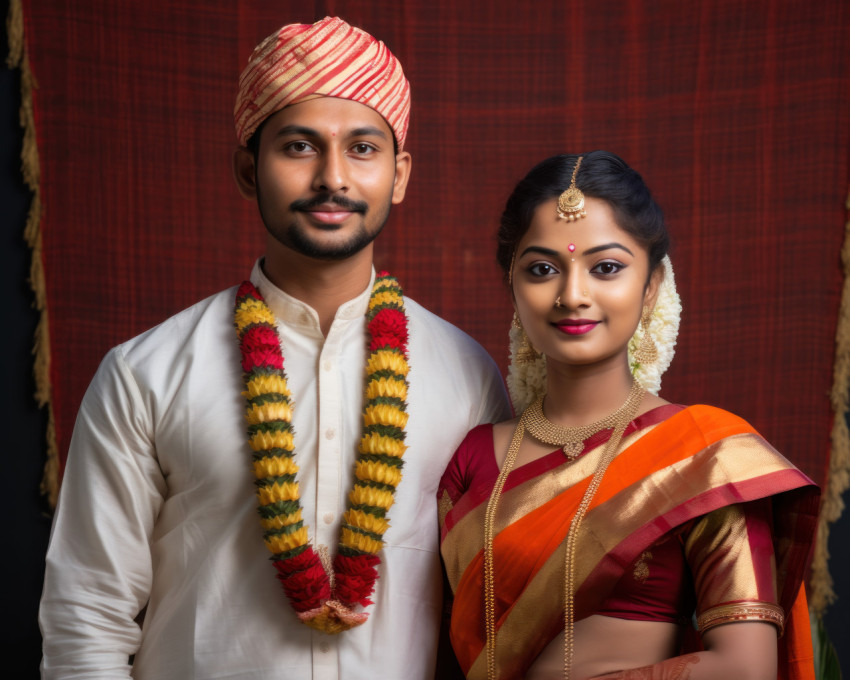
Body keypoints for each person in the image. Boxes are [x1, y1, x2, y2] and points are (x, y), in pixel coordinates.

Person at [39, 17, 510, 679]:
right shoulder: (144, 374)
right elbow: (85, 616)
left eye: (364, 149)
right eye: (298, 146)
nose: (332, 177)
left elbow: (497, 606)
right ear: (246, 169)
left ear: (400, 175)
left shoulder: (468, 378)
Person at [438, 151, 819, 680]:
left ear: (652, 287)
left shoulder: (704, 455)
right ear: (513, 288)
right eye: (543, 269)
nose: (573, 295)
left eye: (607, 268)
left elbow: (745, 668)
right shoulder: (475, 458)